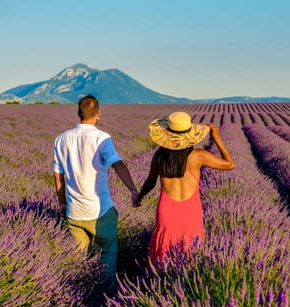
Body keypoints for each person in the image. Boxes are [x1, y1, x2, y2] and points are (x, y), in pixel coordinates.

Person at [53, 94, 139, 294]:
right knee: (108, 254)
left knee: (77, 260)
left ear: (78, 113)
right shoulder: (102, 138)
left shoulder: (61, 139)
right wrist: (133, 189)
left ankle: (78, 297)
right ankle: (106, 298)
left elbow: (58, 176)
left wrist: (62, 204)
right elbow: (117, 163)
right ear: (97, 114)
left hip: (74, 213)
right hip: (101, 212)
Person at [132, 111, 234, 264]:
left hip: (166, 210)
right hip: (191, 210)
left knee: (163, 251)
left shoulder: (160, 157)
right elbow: (229, 164)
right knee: (191, 250)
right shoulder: (198, 156)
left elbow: (150, 182)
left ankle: (160, 282)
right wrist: (216, 138)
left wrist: (139, 197)